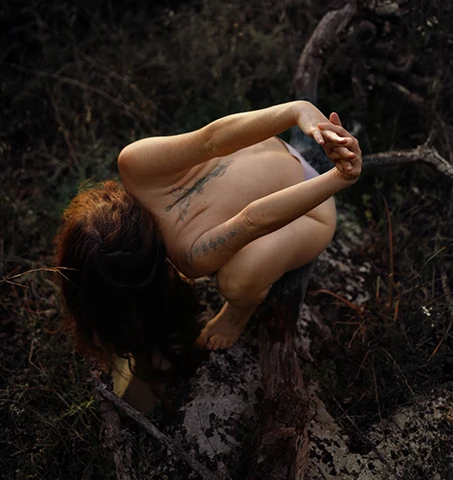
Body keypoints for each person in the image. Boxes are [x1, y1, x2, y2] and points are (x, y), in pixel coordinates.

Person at [54, 101, 361, 389]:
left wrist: (338, 179)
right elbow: (211, 139)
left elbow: (253, 219)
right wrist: (297, 110)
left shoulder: (190, 256)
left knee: (237, 280)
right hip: (276, 149)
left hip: (312, 209)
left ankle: (237, 313)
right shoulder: (134, 162)